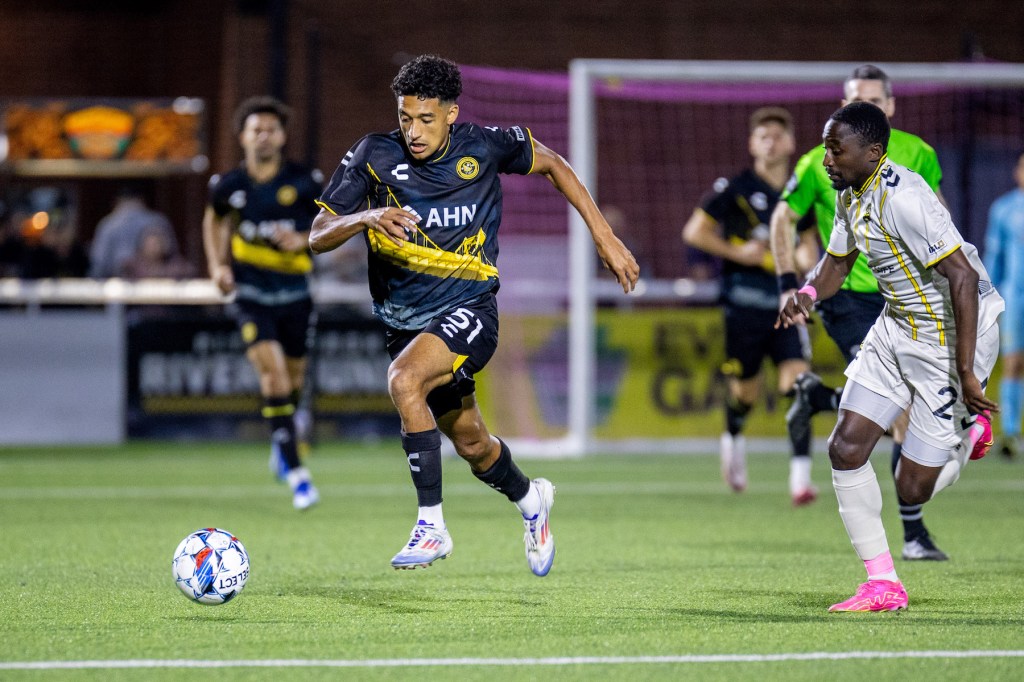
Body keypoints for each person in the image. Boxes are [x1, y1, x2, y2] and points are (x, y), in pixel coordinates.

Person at [309, 54, 638, 575]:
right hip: (406, 322)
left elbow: (553, 163)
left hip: (470, 306)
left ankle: (432, 526)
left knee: (403, 380)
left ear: (451, 113)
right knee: (472, 444)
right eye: (405, 118)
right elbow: (317, 235)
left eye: (426, 119)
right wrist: (367, 216)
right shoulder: (373, 155)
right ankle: (532, 501)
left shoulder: (484, 145)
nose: (413, 132)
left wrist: (604, 235)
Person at [778, 101, 1002, 612]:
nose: (827, 159)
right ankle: (883, 584)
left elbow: (964, 278)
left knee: (912, 488)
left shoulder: (908, 198)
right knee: (845, 447)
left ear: (873, 152)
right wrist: (808, 296)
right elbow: (836, 262)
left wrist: (967, 373)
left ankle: (970, 434)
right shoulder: (850, 192)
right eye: (826, 147)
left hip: (948, 338)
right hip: (895, 325)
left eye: (837, 149)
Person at [770, 64, 951, 561]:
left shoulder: (919, 157)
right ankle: (911, 535)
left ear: (889, 108)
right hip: (848, 296)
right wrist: (796, 286)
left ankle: (818, 397)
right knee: (895, 415)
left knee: (902, 410)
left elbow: (940, 219)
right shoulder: (820, 161)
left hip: (907, 301)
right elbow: (785, 218)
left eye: (871, 100)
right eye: (854, 99)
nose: (861, 107)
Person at [683, 107, 820, 503]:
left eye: (778, 134)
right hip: (743, 304)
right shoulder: (736, 187)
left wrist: (803, 258)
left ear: (791, 143)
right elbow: (694, 231)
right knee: (744, 392)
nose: (770, 141)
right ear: (751, 144)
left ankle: (800, 481)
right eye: (762, 135)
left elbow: (810, 246)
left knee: (798, 383)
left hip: (788, 305)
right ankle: (733, 438)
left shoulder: (801, 191)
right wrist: (739, 254)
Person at [203, 95, 323, 510]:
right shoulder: (228, 186)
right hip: (252, 295)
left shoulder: (306, 181)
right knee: (271, 377)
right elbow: (214, 219)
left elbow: (333, 225)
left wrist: (305, 239)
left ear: (283, 136)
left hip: (295, 292)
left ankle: (282, 434)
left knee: (291, 381)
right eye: (256, 129)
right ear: (242, 137)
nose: (264, 136)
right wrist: (218, 266)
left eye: (271, 129)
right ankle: (297, 473)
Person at [984, 152, 1024, 459]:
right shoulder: (1004, 209)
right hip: (1015, 297)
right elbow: (993, 257)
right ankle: (1010, 432)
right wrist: (985, 296)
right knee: (1013, 362)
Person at [90, 183, 177, 279]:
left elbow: (98, 264)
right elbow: (173, 254)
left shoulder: (108, 224)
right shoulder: (158, 220)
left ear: (117, 201)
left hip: (123, 284)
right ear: (142, 200)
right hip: (148, 282)